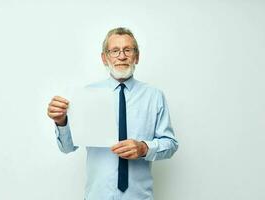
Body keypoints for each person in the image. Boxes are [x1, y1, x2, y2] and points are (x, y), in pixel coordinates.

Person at [47, 27, 178, 200]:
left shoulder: (154, 96)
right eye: (115, 51)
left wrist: (144, 148)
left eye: (128, 50)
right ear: (104, 58)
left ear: (137, 57)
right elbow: (67, 147)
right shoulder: (87, 95)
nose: (122, 56)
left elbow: (170, 144)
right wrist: (61, 122)